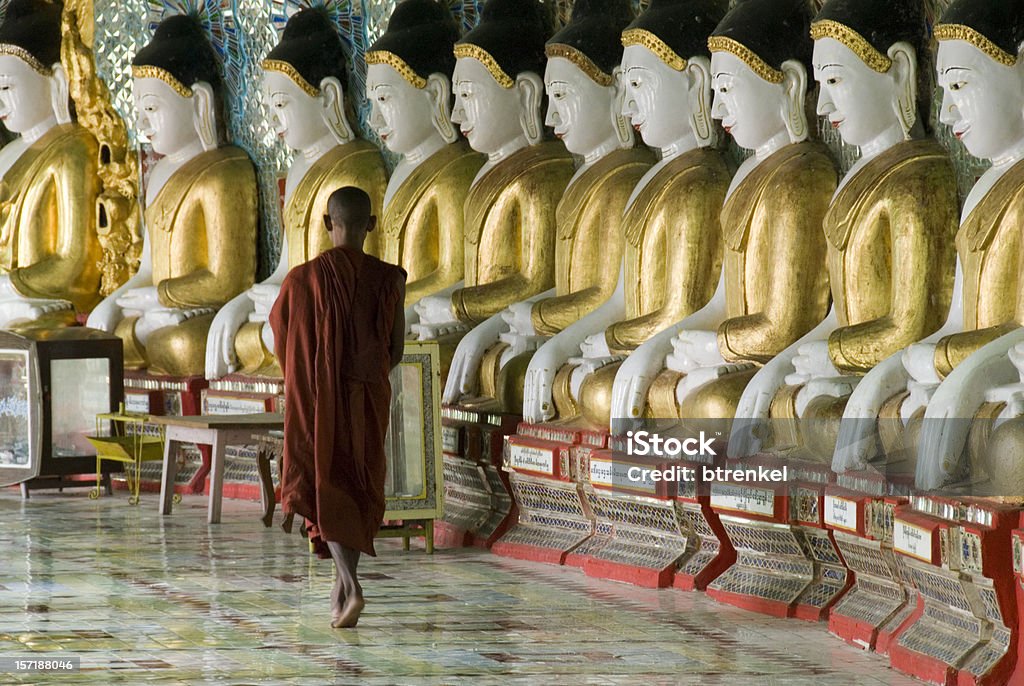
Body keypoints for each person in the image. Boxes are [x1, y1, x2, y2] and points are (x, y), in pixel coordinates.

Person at [269, 186, 406, 629]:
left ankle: (351, 584)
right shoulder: (390, 279)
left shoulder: (300, 280)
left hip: (313, 398)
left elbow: (282, 340)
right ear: (371, 225)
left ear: (328, 223)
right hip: (366, 398)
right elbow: (396, 350)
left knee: (322, 479)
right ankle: (342, 587)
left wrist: (314, 376)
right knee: (355, 482)